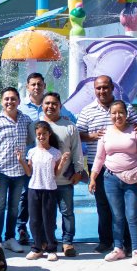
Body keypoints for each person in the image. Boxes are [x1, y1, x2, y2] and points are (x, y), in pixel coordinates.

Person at [77, 75, 137, 254]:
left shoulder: (126, 107)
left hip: (126, 167)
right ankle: (106, 241)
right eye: (98, 88)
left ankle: (129, 244)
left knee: (126, 208)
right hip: (98, 164)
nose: (102, 91)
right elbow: (79, 134)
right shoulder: (88, 110)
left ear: (112, 87)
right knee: (103, 205)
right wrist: (92, 136)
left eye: (105, 87)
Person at [16, 72, 76, 245]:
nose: (36, 87)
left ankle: (55, 239)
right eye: (33, 84)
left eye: (39, 84)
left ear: (44, 85)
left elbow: (72, 129)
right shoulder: (21, 109)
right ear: (27, 87)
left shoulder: (58, 108)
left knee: (51, 206)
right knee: (26, 199)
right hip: (31, 162)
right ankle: (22, 230)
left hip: (52, 161)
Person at [88, 101, 137, 266]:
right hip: (111, 179)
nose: (117, 116)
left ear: (126, 114)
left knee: (132, 215)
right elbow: (99, 158)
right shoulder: (106, 134)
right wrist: (93, 177)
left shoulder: (135, 132)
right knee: (117, 216)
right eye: (114, 113)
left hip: (133, 179)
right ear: (110, 115)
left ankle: (136, 249)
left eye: (121, 112)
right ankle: (118, 248)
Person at [0, 87, 32, 252]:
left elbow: (35, 138)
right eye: (6, 99)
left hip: (19, 172)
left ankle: (10, 238)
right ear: (1, 101)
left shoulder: (26, 120)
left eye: (13, 99)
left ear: (19, 101)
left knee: (14, 207)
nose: (10, 102)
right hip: (1, 172)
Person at [17, 122, 70, 261]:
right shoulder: (32, 152)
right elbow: (29, 173)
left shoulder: (55, 152)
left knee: (49, 220)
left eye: (44, 134)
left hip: (49, 189)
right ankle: (37, 247)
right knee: (34, 220)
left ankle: (51, 248)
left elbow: (56, 174)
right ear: (36, 134)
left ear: (49, 134)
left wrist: (63, 161)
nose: (41, 136)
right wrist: (21, 161)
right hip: (34, 188)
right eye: (39, 134)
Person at [40, 92, 83, 256]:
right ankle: (48, 241)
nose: (50, 106)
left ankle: (67, 242)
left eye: (54, 103)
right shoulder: (36, 125)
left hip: (64, 179)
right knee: (46, 213)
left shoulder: (70, 126)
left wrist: (79, 171)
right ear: (42, 106)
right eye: (47, 103)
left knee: (67, 212)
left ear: (60, 106)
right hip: (43, 181)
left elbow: (77, 151)